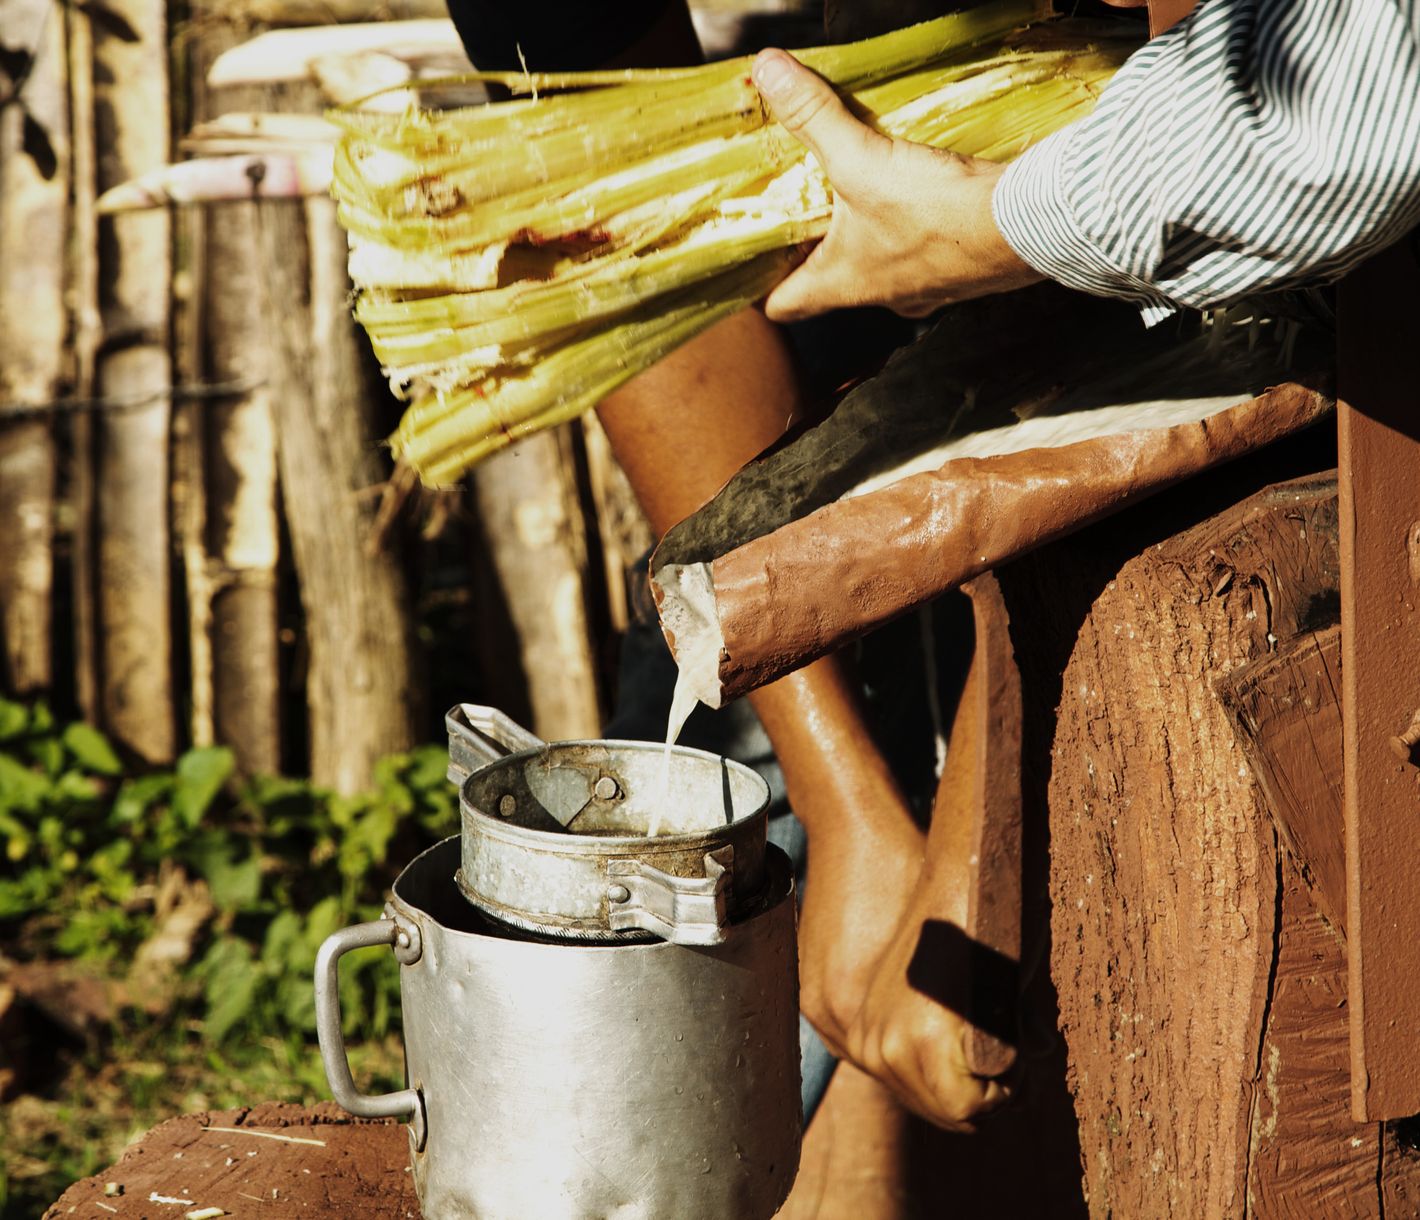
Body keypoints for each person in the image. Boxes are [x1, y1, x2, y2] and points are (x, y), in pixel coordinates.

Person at [442, 0, 1420, 1179]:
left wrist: (981, 822)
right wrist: (845, 803)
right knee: (801, 934)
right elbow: (610, 216)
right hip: (909, 213)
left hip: (1157, 279)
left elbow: (1259, 157)